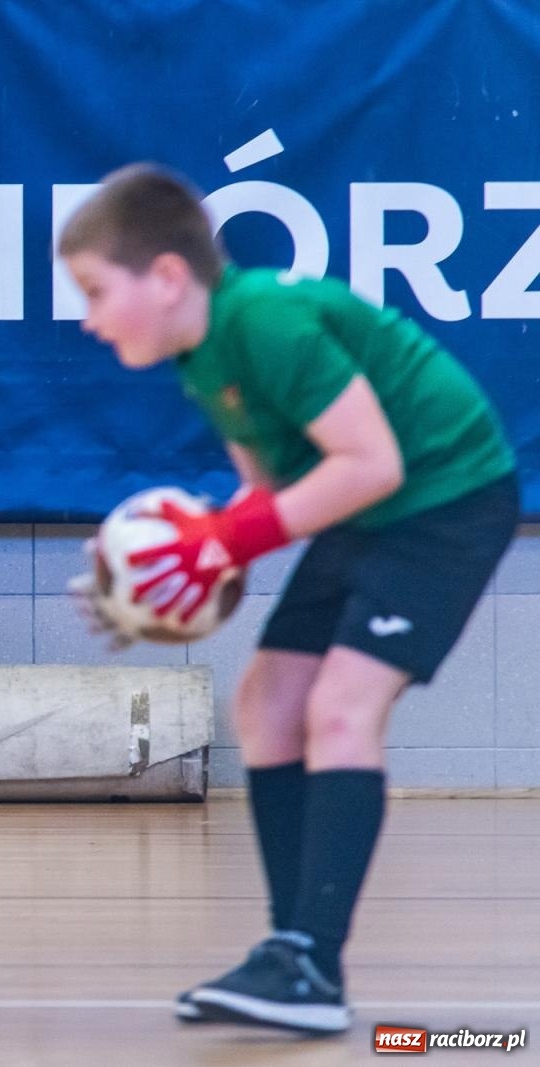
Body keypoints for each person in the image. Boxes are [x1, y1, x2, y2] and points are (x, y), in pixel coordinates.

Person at [59, 163, 518, 1034]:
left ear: (164, 277)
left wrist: (218, 544)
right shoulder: (202, 359)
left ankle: (309, 961)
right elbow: (271, 497)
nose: (86, 318)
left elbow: (372, 462)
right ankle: (294, 955)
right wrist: (171, 581)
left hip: (447, 496)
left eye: (93, 290)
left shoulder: (262, 317)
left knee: (342, 707)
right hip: (371, 506)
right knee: (267, 699)